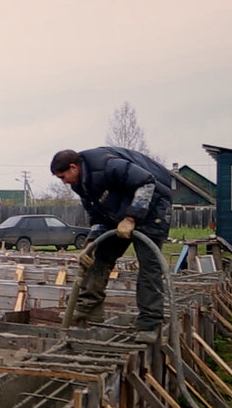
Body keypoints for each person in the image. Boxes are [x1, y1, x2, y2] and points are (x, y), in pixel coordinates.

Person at [51, 147, 172, 343]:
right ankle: (89, 307)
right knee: (99, 258)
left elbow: (147, 182)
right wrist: (91, 243)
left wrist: (132, 217)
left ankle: (150, 325)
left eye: (63, 176)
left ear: (73, 167)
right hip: (119, 212)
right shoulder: (80, 184)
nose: (63, 182)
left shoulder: (106, 165)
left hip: (153, 207)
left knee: (149, 267)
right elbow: (96, 214)